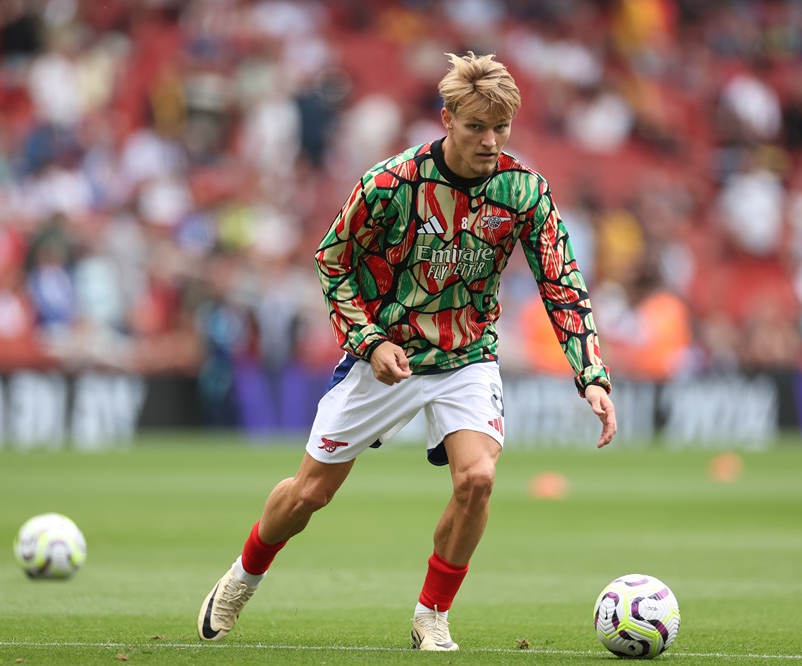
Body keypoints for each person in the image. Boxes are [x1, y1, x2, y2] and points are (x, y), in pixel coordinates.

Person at [197, 51, 617, 651]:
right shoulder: (391, 184)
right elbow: (331, 260)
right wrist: (369, 344)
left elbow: (561, 281)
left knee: (477, 478)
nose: (490, 141)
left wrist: (591, 374)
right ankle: (243, 576)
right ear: (446, 119)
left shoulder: (525, 190)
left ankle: (432, 615)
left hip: (467, 356)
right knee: (309, 495)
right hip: (387, 357)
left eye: (501, 128)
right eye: (476, 127)